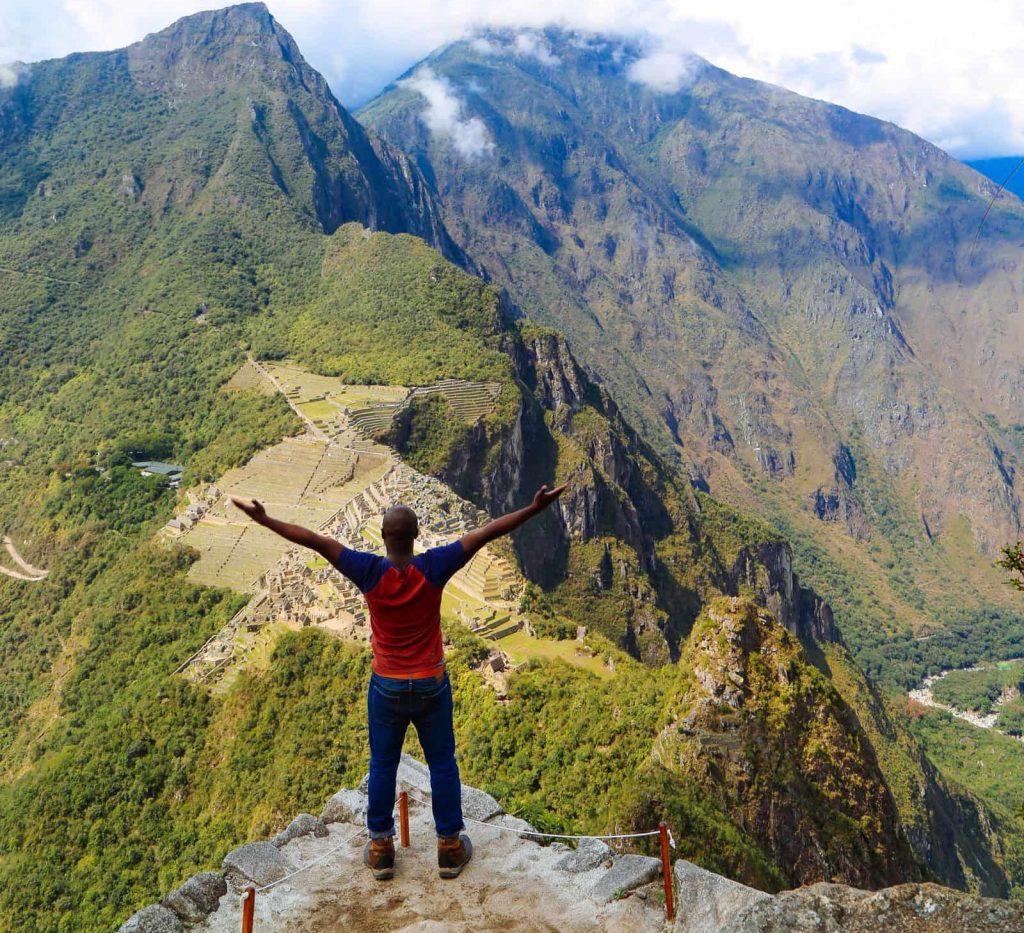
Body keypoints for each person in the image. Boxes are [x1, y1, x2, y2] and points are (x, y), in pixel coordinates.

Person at [231, 482, 567, 880]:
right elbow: (487, 532)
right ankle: (449, 846)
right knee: (442, 762)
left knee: (382, 763)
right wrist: (533, 507)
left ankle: (380, 848)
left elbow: (317, 542)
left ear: (384, 534)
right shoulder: (434, 566)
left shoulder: (368, 570)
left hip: (387, 685)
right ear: (417, 534)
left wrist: (264, 519)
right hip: (430, 683)